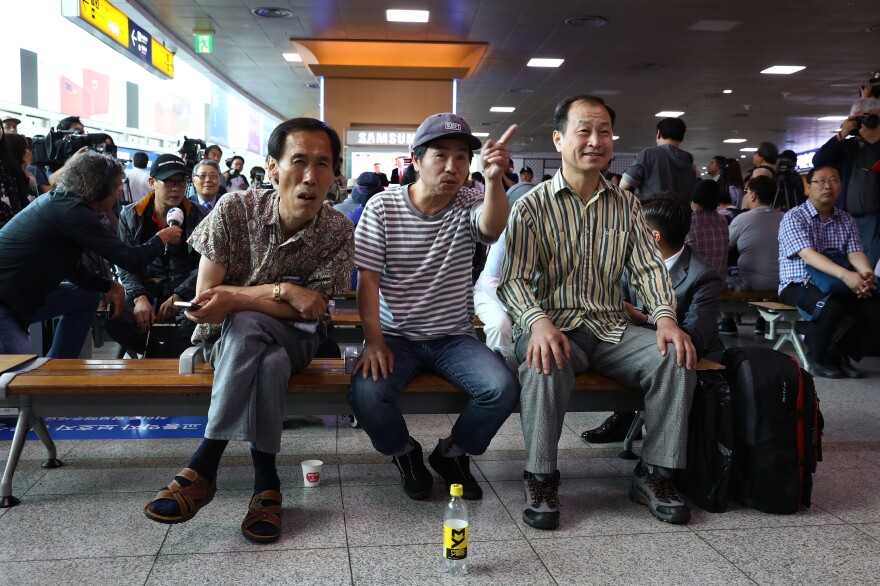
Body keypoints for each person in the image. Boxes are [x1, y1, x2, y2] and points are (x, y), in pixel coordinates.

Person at [143, 118, 354, 544]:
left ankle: (205, 463)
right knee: (266, 357)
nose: (311, 177)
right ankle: (266, 484)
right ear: (273, 168)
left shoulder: (337, 230)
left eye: (323, 164)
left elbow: (311, 310)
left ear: (334, 174)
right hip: (226, 342)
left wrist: (238, 297)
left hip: (300, 339)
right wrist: (283, 291)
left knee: (246, 320)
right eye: (298, 161)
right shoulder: (235, 210)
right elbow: (206, 302)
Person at [498, 95, 697, 530]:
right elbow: (512, 280)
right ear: (559, 139)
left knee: (676, 357)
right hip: (553, 327)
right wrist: (537, 323)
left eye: (604, 131)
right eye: (583, 130)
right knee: (542, 360)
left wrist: (665, 317)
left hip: (610, 327)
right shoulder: (532, 206)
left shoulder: (626, 206)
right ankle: (541, 477)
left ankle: (655, 474)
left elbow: (648, 267)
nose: (595, 140)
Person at [349, 113, 520, 502]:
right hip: (395, 337)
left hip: (453, 337)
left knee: (502, 387)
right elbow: (368, 281)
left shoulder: (470, 200)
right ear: (415, 159)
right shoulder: (383, 207)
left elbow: (492, 229)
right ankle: (405, 453)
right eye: (441, 155)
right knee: (366, 395)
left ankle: (452, 454)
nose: (452, 167)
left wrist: (493, 180)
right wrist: (374, 342)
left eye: (462, 158)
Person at [0, 151, 181, 357]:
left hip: (20, 298)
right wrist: (162, 238)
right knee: (18, 379)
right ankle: (46, 380)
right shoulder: (73, 213)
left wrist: (109, 286)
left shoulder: (62, 204)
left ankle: (59, 368)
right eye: (117, 185)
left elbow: (72, 269)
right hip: (5, 304)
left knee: (86, 296)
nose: (120, 192)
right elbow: (131, 259)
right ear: (100, 187)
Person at [582, 192, 723, 443]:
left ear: (653, 238)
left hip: (693, 356)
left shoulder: (702, 276)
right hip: (643, 346)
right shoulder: (629, 264)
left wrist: (644, 319)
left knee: (668, 357)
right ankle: (625, 417)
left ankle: (658, 454)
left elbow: (696, 338)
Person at [778, 165, 880, 379]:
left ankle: (840, 353)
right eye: (821, 181)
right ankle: (817, 357)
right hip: (798, 284)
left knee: (876, 307)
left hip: (838, 282)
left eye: (833, 180)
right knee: (831, 307)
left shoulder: (846, 219)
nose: (827, 186)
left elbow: (855, 253)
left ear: (841, 187)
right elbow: (808, 255)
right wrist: (846, 275)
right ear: (808, 188)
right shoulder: (793, 217)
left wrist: (866, 276)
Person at [105, 154, 207, 358]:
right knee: (114, 315)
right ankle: (155, 353)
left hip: (186, 292)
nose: (176, 188)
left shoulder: (200, 215)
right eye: (169, 182)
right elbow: (125, 264)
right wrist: (139, 297)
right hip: (145, 288)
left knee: (200, 317)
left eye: (180, 182)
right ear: (152, 183)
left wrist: (179, 294)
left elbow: (205, 265)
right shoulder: (131, 214)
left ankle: (159, 359)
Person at [812, 97, 880, 267]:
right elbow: (818, 161)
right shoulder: (847, 146)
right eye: (860, 119)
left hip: (875, 221)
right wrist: (841, 134)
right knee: (846, 267)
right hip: (845, 218)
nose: (865, 123)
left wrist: (874, 141)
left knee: (871, 270)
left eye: (871, 118)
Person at [620, 117, 698, 199]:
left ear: (659, 133)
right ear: (681, 137)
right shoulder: (688, 159)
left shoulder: (649, 154)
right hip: (682, 211)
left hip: (652, 210)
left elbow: (623, 186)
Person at [686, 179, 729, 279]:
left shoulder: (689, 221)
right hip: (719, 284)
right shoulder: (723, 220)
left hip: (695, 287)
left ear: (694, 200)